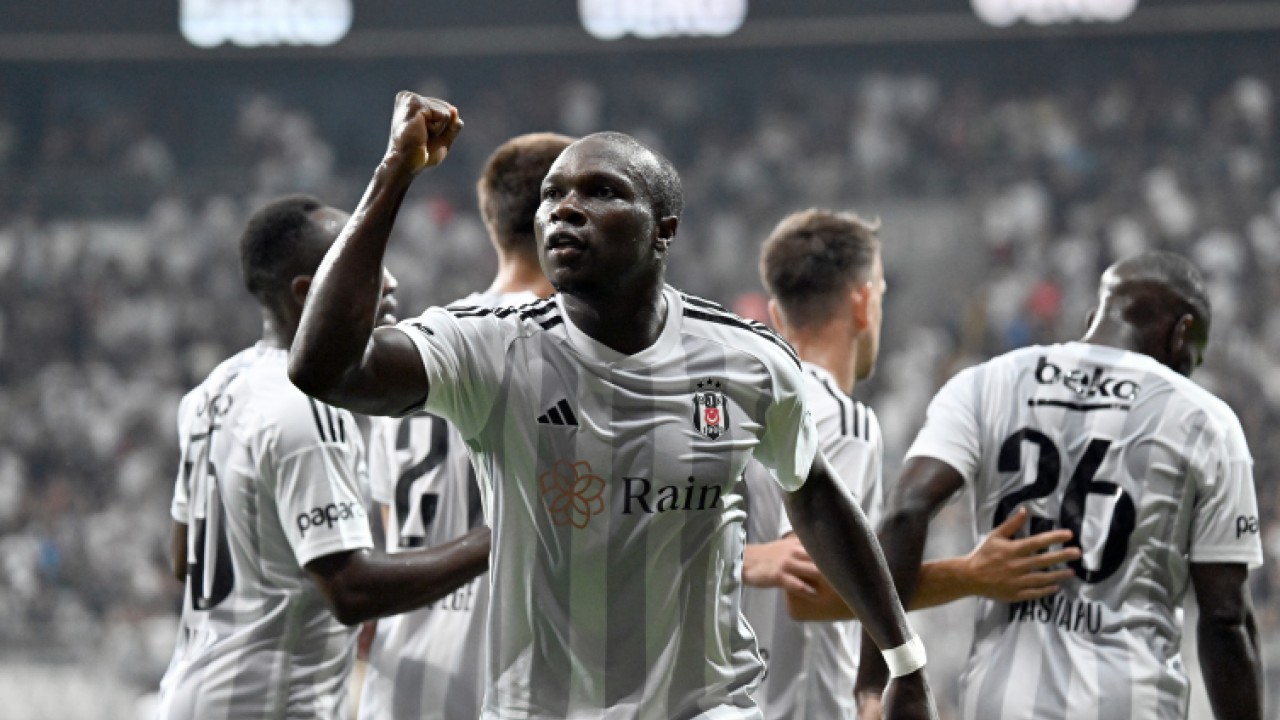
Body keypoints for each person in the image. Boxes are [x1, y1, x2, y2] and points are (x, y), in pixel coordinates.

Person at [288, 92, 937, 719]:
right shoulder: (491, 347)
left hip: (706, 707)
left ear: (664, 231)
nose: (566, 209)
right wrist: (395, 171)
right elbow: (324, 368)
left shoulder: (748, 361)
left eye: (600, 192)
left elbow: (815, 493)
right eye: (551, 195)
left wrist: (904, 662)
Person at [854, 251, 1264, 720]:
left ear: (1094, 318)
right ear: (1181, 334)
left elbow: (905, 510)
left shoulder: (986, 383)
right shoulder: (1207, 421)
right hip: (1130, 704)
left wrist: (879, 678)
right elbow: (1225, 618)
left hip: (999, 705)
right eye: (1194, 359)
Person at [157, 195, 490, 720]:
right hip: (263, 705)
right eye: (365, 267)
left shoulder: (215, 388)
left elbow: (183, 558)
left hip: (191, 689)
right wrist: (499, 534)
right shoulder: (304, 404)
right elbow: (352, 590)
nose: (389, 282)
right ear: (308, 292)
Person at [742, 209, 1081, 720]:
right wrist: (970, 574)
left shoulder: (740, 408)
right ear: (862, 303)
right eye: (878, 292)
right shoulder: (838, 419)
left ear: (776, 311)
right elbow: (812, 591)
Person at [359, 132, 573, 720]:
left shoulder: (416, 345)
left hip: (402, 683)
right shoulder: (570, 349)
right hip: (513, 677)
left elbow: (388, 532)